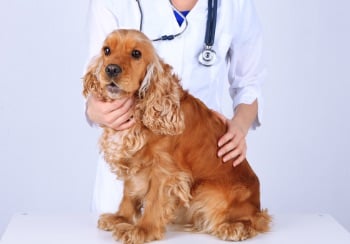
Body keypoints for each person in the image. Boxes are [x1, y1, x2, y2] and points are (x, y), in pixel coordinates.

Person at [85, 0, 265, 213]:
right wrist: (94, 110)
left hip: (203, 175)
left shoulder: (236, 4)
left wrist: (239, 127)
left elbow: (248, 84)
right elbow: (97, 73)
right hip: (124, 172)